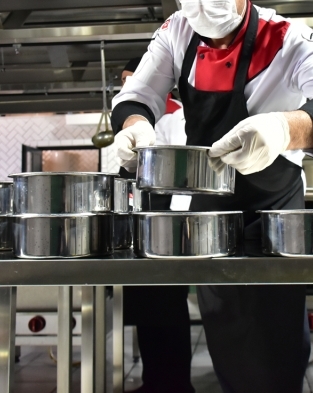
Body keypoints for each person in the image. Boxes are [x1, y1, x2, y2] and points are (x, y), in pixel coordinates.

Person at [112, 0, 313, 393]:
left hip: (272, 209)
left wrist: (283, 129)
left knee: (273, 341)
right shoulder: (176, 31)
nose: (200, 1)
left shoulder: (288, 38)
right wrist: (135, 126)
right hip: (210, 209)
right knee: (227, 329)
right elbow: (138, 94)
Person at [120, 59, 194, 393]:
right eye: (123, 82)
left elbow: (183, 177)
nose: (127, 88)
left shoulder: (177, 116)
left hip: (169, 227)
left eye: (132, 80)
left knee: (167, 309)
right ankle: (154, 382)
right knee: (148, 309)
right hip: (145, 226)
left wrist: (176, 227)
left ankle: (175, 385)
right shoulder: (135, 120)